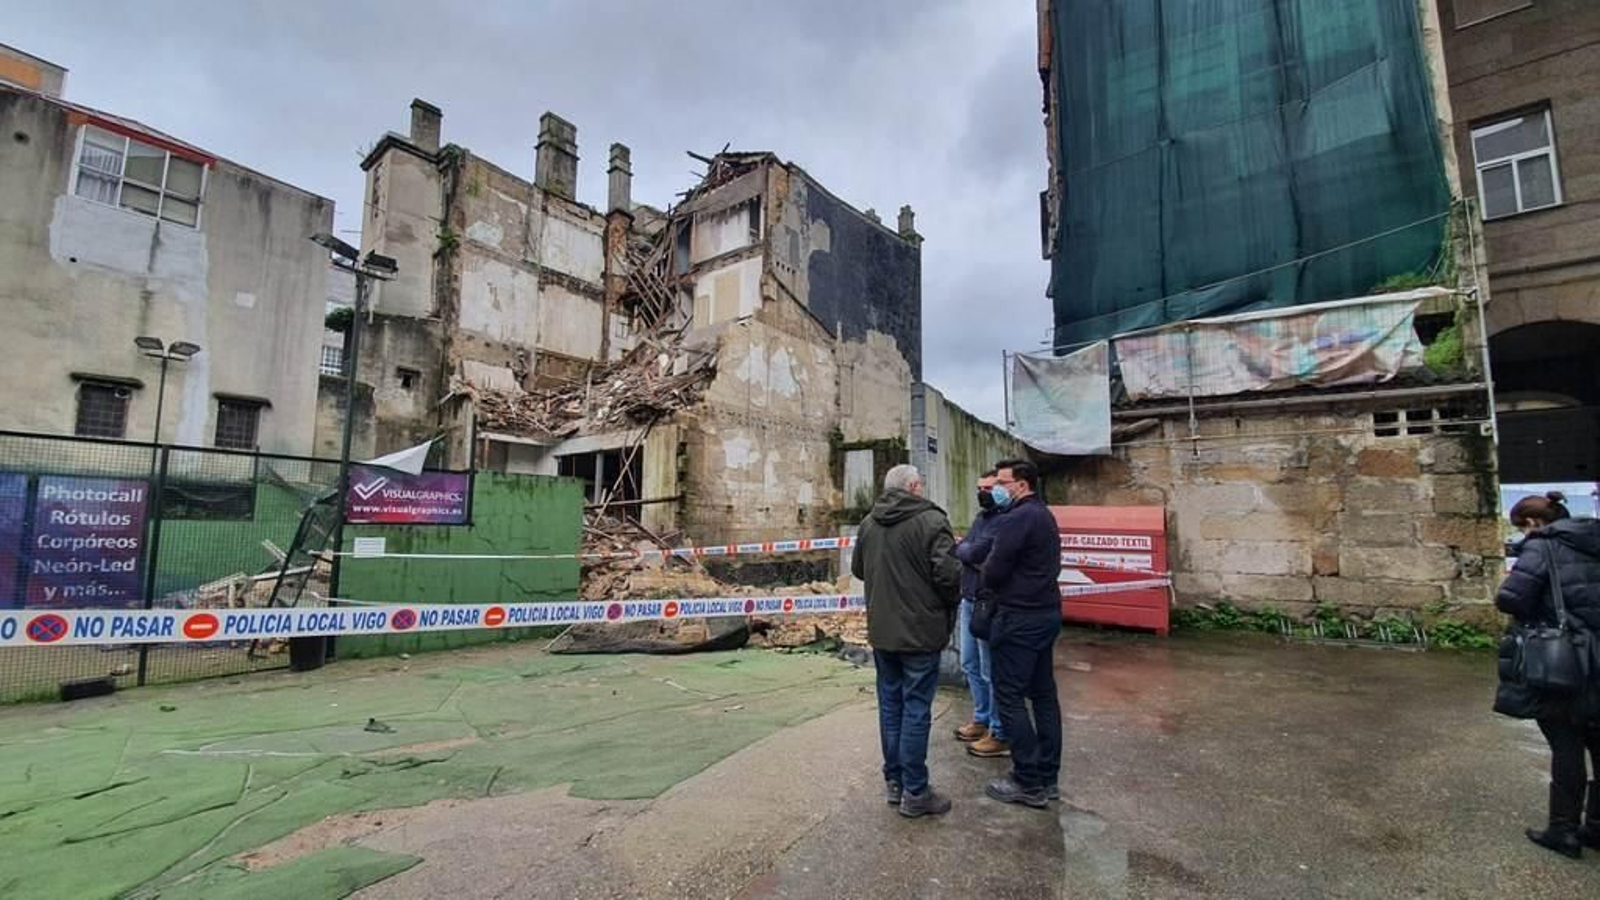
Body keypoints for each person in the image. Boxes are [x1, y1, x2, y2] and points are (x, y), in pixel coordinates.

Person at [851, 463, 963, 818]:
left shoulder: (869, 523)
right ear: (914, 486)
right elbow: (949, 577)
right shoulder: (932, 521)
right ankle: (916, 791)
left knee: (891, 706)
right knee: (915, 708)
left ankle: (895, 782)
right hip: (920, 631)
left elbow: (857, 569)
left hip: (883, 631)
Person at [1495, 491, 1600, 858]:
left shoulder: (1543, 547)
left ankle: (1564, 830)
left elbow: (1512, 597)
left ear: (1533, 523)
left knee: (1566, 742)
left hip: (1565, 659)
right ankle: (1597, 827)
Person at [980, 458, 1063, 809]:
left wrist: (983, 572)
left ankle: (1027, 781)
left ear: (1022, 484)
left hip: (1018, 619)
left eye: (1002, 482)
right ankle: (1048, 776)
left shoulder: (1017, 519)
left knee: (1010, 696)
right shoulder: (1044, 515)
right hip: (1046, 614)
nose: (997, 488)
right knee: (1043, 695)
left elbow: (994, 571)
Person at [955, 470, 1010, 758]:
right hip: (968, 598)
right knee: (969, 663)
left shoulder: (1005, 521)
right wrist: (968, 549)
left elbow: (975, 554)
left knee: (991, 669)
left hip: (988, 602)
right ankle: (982, 717)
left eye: (988, 487)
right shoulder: (982, 518)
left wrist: (965, 548)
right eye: (979, 487)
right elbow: (969, 550)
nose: (983, 493)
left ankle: (999, 731)